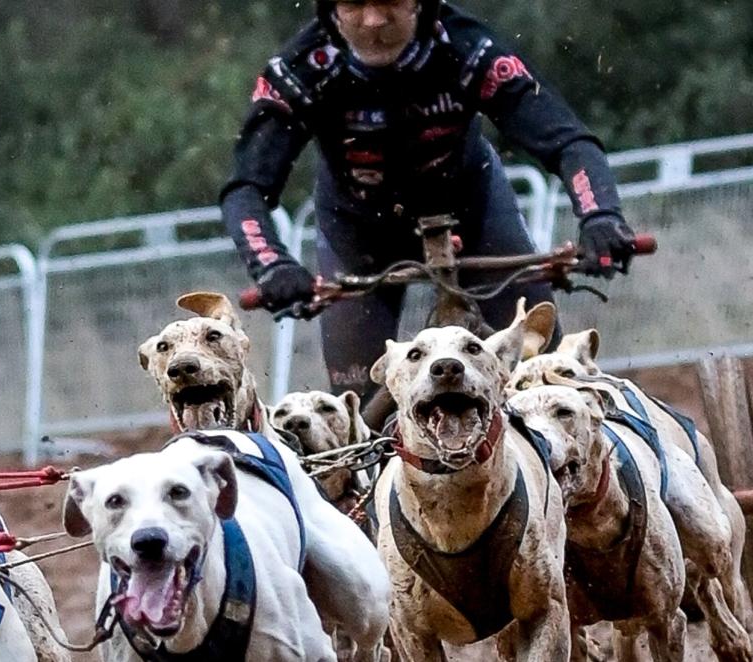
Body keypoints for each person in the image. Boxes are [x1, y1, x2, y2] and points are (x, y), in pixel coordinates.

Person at [220, 0, 637, 399]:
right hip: (358, 236)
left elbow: (567, 141)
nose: (372, 21)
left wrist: (600, 216)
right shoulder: (299, 71)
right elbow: (247, 188)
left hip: (475, 216)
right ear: (330, 11)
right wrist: (272, 265)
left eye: (390, 3)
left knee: (545, 376)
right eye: (352, 5)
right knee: (357, 408)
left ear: (422, 4)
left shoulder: (468, 48)